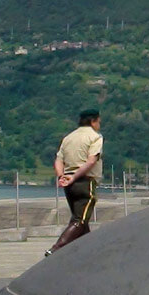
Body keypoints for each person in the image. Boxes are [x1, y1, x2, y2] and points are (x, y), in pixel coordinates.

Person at [48, 109, 104, 256]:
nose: (99, 125)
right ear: (93, 121)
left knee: (81, 221)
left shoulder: (68, 138)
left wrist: (62, 176)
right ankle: (56, 250)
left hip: (69, 185)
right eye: (98, 122)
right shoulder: (95, 137)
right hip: (85, 181)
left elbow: (59, 160)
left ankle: (90, 251)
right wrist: (75, 176)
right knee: (79, 220)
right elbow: (91, 160)